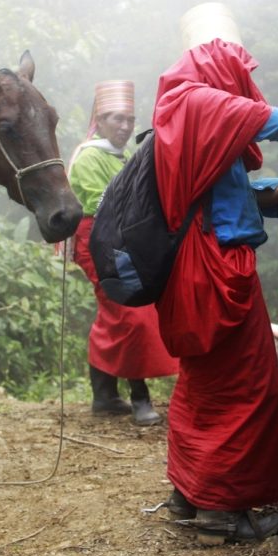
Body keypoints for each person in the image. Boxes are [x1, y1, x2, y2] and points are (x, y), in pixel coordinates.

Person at [152, 2, 278, 542]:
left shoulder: (191, 119)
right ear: (214, 60)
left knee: (205, 380)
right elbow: (267, 118)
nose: (242, 74)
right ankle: (221, 510)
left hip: (201, 260)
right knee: (244, 383)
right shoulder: (191, 102)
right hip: (213, 267)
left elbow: (224, 193)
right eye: (233, 61)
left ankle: (188, 494)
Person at [68, 80, 178, 426]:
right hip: (98, 243)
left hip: (126, 240)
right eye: (117, 119)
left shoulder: (125, 156)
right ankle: (139, 396)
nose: (125, 126)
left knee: (113, 314)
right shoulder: (88, 157)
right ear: (98, 120)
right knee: (130, 311)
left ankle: (103, 394)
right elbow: (103, 205)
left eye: (130, 119)